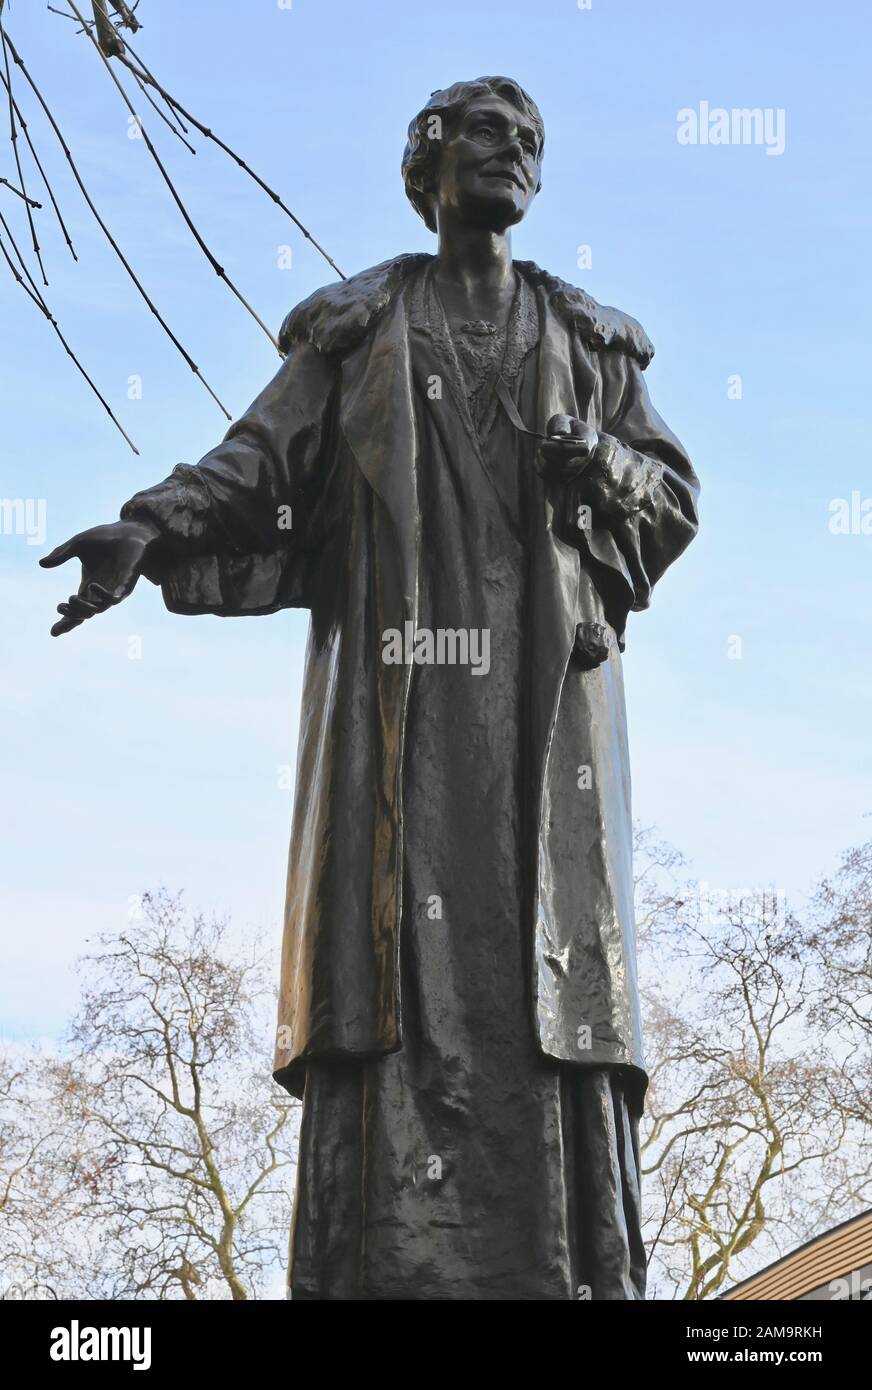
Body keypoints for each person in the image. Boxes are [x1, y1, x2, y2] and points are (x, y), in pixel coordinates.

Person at [42, 76, 699, 1299]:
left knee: (546, 983)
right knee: (386, 968)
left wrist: (596, 457)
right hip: (399, 721)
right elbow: (255, 463)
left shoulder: (593, 346)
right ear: (427, 169)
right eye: (483, 134)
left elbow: (670, 506)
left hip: (538, 727)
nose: (510, 153)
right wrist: (149, 527)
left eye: (530, 142)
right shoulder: (357, 333)